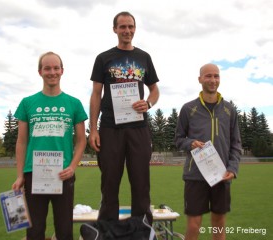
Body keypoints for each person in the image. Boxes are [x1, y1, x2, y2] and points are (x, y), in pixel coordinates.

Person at [89, 11, 160, 225]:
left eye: (130, 26)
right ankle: (107, 228)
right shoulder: (103, 58)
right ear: (115, 30)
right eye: (122, 27)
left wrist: (148, 103)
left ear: (135, 29)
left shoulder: (144, 57)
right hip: (110, 128)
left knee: (140, 181)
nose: (127, 31)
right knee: (109, 181)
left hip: (138, 127)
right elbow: (96, 94)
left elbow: (155, 90)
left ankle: (142, 227)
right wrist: (93, 128)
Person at [12, 51, 88, 240]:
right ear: (40, 72)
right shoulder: (27, 103)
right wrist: (20, 175)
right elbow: (21, 142)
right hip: (33, 174)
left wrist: (72, 166)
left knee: (64, 230)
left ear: (62, 71)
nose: (52, 72)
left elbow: (81, 141)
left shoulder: (74, 103)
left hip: (64, 174)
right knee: (35, 230)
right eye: (47, 68)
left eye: (56, 68)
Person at [175, 63, 242, 240]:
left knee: (219, 222)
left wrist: (233, 168)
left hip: (221, 175)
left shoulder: (229, 110)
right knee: (193, 225)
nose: (213, 80)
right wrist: (191, 143)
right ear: (200, 79)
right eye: (208, 76)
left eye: (216, 76)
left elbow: (236, 143)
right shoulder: (188, 109)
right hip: (195, 175)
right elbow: (178, 139)